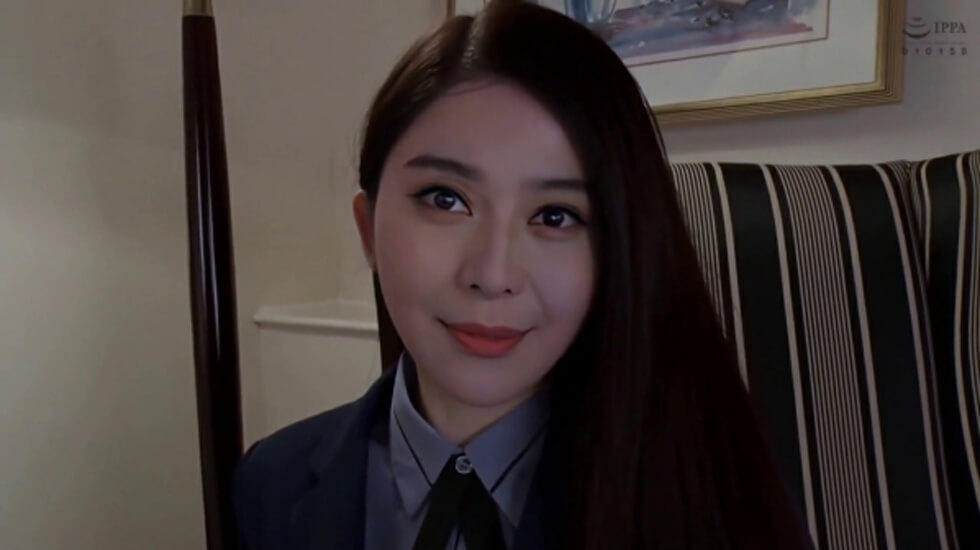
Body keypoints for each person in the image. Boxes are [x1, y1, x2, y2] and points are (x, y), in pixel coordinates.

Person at [231, 1, 813, 549]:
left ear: (616, 251)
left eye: (555, 216)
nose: (492, 274)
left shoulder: (718, 497)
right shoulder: (271, 484)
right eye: (445, 199)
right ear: (367, 229)